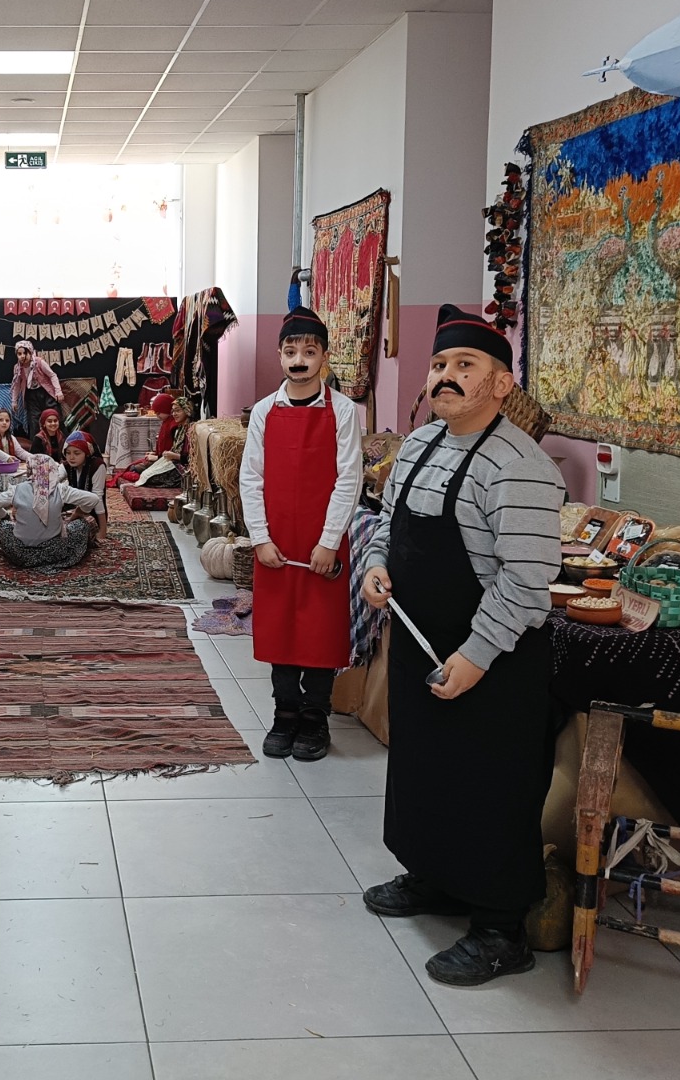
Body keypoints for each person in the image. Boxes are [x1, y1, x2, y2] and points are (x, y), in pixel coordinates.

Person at [359, 304, 565, 987]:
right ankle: (436, 878)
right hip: (422, 641)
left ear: (502, 384)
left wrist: (476, 656)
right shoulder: (418, 444)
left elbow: (526, 581)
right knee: (424, 769)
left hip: (494, 660)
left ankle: (501, 929)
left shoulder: (520, 466)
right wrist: (375, 565)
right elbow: (387, 523)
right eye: (440, 364)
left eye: (465, 366)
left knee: (489, 784)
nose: (445, 376)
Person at [238, 309, 362, 765]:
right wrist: (259, 537)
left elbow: (349, 479)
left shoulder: (344, 411)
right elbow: (251, 478)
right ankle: (285, 713)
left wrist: (330, 540)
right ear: (279, 355)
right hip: (275, 544)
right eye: (290, 351)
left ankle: (315, 716)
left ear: (324, 357)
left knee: (319, 632)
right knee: (281, 631)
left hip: (321, 546)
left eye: (309, 352)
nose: (299, 360)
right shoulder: (264, 412)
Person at [0, 455, 106, 569]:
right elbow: (93, 499)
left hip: (20, 554)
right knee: (82, 524)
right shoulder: (60, 489)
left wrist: (6, 516)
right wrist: (80, 511)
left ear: (29, 471)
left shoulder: (17, 490)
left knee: (2, 525)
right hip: (55, 553)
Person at [11, 339, 63, 436]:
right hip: (31, 396)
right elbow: (16, 385)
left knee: (54, 416)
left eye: (25, 353)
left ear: (30, 352)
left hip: (46, 393)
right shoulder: (18, 368)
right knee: (34, 422)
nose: (22, 356)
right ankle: (36, 443)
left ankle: (61, 441)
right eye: (19, 354)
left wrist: (58, 391)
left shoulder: (39, 362)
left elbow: (52, 375)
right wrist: (14, 401)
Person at [62, 430, 106, 498]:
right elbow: (54, 479)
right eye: (68, 453)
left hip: (92, 504)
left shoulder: (97, 465)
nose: (71, 457)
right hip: (73, 503)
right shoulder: (67, 464)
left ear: (87, 453)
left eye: (77, 453)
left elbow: (98, 496)